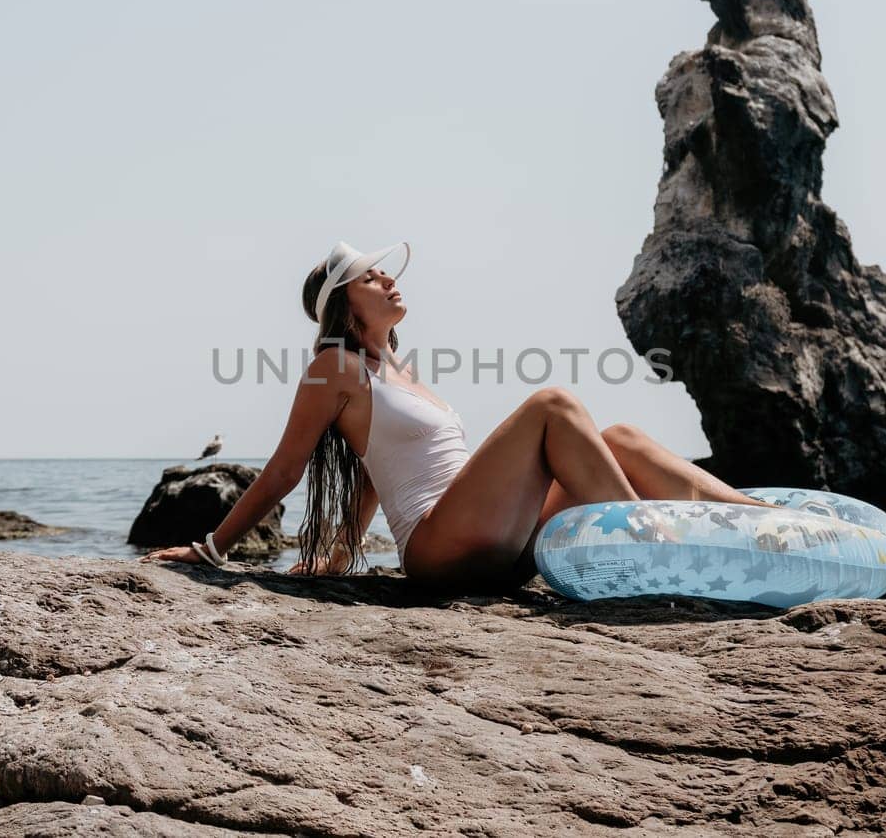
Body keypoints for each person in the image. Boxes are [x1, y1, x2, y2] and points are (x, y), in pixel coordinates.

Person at [141, 241, 769, 592]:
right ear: (344, 303)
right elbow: (283, 472)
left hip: (491, 535)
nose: (390, 280)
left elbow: (368, 475)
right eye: (372, 277)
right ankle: (659, 553)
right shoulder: (334, 366)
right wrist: (211, 550)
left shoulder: (399, 372)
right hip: (441, 549)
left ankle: (762, 525)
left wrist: (341, 552)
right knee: (552, 405)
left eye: (387, 272)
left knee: (621, 437)